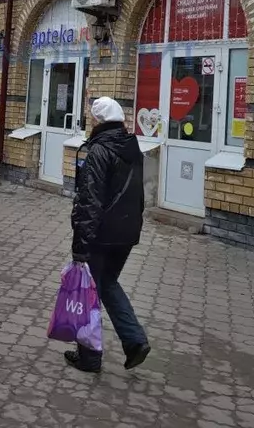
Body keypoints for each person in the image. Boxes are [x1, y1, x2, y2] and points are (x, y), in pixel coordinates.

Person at [66, 96, 150, 373]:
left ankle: (89, 358)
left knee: (90, 294)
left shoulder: (99, 151)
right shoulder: (132, 147)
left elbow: (90, 201)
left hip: (101, 234)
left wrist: (80, 246)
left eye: (92, 117)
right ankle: (135, 341)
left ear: (98, 121)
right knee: (109, 284)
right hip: (126, 233)